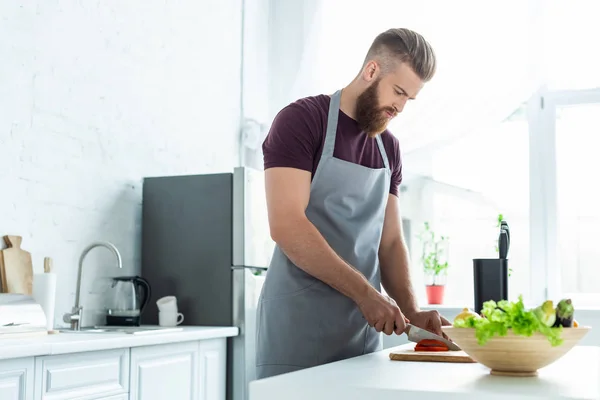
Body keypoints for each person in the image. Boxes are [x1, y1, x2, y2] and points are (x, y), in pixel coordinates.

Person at [256, 27, 451, 380]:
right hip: (297, 331)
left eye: (410, 98)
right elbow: (286, 224)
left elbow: (389, 241)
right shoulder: (302, 121)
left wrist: (411, 309)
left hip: (361, 335)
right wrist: (365, 294)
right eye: (398, 92)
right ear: (371, 71)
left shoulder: (389, 149)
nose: (400, 107)